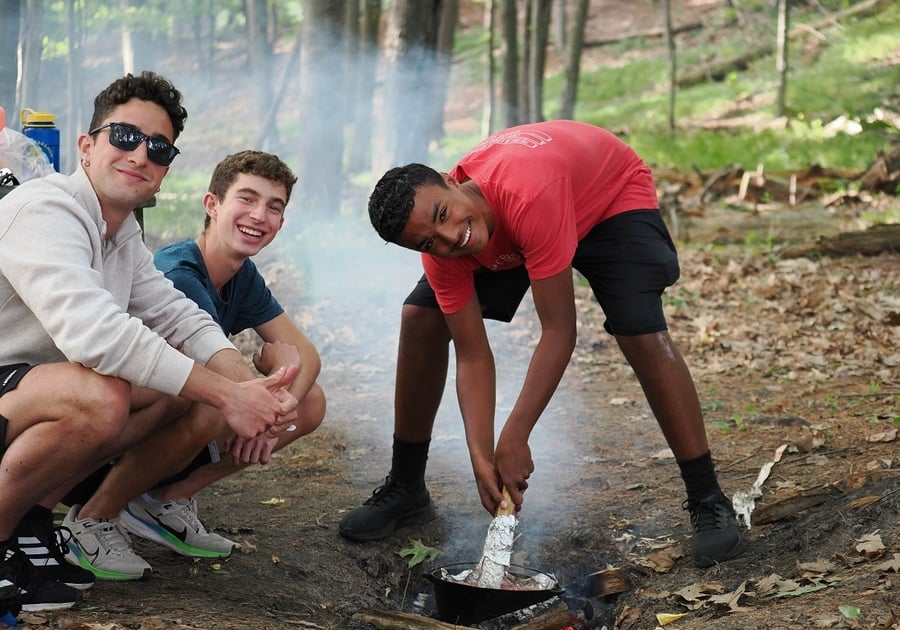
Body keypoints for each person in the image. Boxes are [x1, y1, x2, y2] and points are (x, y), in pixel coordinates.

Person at [339, 120, 745, 568]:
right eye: (429, 241)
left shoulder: (527, 192)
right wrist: (481, 453)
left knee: (638, 329)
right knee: (421, 316)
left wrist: (513, 437)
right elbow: (473, 354)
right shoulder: (445, 248)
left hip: (607, 198)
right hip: (514, 226)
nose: (451, 237)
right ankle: (407, 486)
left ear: (452, 180)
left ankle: (707, 497)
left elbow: (559, 331)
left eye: (442, 214)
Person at [0, 71, 299, 611]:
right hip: (16, 387)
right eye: (124, 136)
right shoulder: (45, 210)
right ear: (87, 146)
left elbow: (173, 314)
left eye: (158, 148)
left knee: (165, 385)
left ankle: (30, 516)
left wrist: (252, 385)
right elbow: (95, 335)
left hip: (23, 394)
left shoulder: (121, 230)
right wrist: (231, 397)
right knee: (101, 396)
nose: (140, 155)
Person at [110, 149, 325, 562]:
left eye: (273, 207)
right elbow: (219, 376)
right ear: (212, 204)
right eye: (247, 198)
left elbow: (306, 354)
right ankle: (107, 502)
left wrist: (283, 398)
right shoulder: (178, 272)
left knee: (310, 402)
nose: (260, 215)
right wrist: (270, 393)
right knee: (213, 403)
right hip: (124, 426)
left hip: (179, 422)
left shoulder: (241, 275)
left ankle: (164, 501)